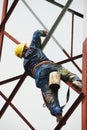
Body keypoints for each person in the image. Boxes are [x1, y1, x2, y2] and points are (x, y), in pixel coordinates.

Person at [14, 30, 82, 122]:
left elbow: (32, 75)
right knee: (68, 74)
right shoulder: (33, 48)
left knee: (49, 95)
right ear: (25, 47)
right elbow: (36, 33)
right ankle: (76, 81)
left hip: (39, 75)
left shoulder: (25, 65)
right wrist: (43, 33)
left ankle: (57, 113)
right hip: (49, 66)